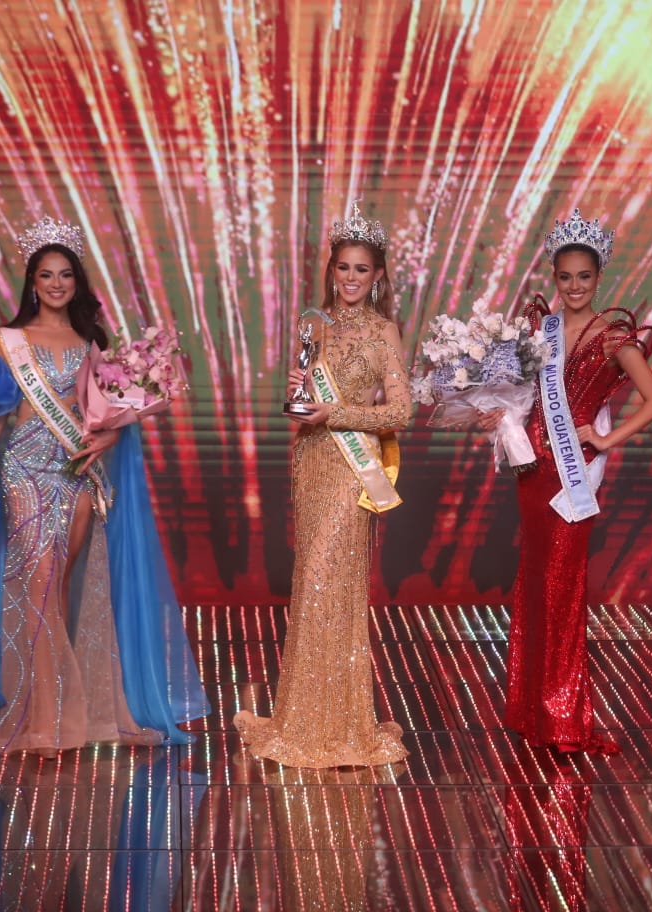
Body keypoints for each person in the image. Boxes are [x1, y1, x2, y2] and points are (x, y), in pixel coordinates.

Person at [0, 215, 208, 755]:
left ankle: (69, 707)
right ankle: (42, 720)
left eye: (65, 275)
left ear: (77, 282)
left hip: (76, 475)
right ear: (32, 282)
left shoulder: (91, 341)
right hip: (23, 471)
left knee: (60, 589)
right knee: (38, 588)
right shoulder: (11, 342)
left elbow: (107, 415)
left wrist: (110, 443)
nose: (55, 284)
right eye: (46, 275)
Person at [479, 208, 652, 755]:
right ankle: (531, 708)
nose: (576, 286)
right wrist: (499, 414)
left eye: (585, 277)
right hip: (532, 470)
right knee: (536, 582)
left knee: (564, 586)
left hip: (572, 471)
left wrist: (607, 438)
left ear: (599, 278)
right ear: (553, 279)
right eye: (566, 278)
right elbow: (522, 394)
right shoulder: (542, 332)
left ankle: (562, 716)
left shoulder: (612, 336)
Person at [233, 199, 411, 768]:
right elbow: (302, 400)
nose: (351, 278)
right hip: (311, 463)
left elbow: (401, 412)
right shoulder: (313, 322)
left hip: (351, 470)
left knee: (330, 584)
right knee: (312, 584)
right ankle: (304, 717)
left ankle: (339, 720)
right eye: (343, 268)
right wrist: (303, 400)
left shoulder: (385, 332)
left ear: (377, 274)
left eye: (362, 269)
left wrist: (336, 413)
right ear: (331, 270)